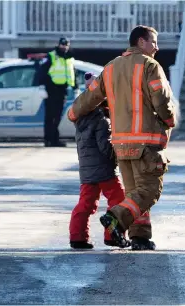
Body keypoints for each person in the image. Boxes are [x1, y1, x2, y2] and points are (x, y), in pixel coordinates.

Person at [67, 25, 177, 251]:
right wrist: (169, 120)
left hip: (121, 144)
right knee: (148, 190)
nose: (157, 47)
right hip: (145, 143)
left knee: (133, 193)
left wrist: (73, 113)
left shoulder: (110, 67)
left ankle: (140, 237)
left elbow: (91, 97)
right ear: (140, 42)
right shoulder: (150, 66)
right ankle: (116, 217)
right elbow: (162, 101)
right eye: (153, 42)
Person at [69, 73, 126, 249]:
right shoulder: (102, 121)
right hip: (104, 169)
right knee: (118, 199)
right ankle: (111, 236)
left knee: (86, 204)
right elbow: (105, 147)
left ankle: (77, 237)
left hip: (86, 170)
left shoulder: (81, 119)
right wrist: (118, 157)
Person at [39, 37, 77, 147]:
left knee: (57, 117)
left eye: (66, 45)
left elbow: (73, 73)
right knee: (50, 117)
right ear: (59, 45)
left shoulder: (69, 58)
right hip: (51, 90)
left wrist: (75, 88)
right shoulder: (51, 56)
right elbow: (42, 71)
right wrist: (42, 87)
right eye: (62, 45)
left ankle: (54, 139)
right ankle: (48, 140)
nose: (64, 47)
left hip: (62, 91)